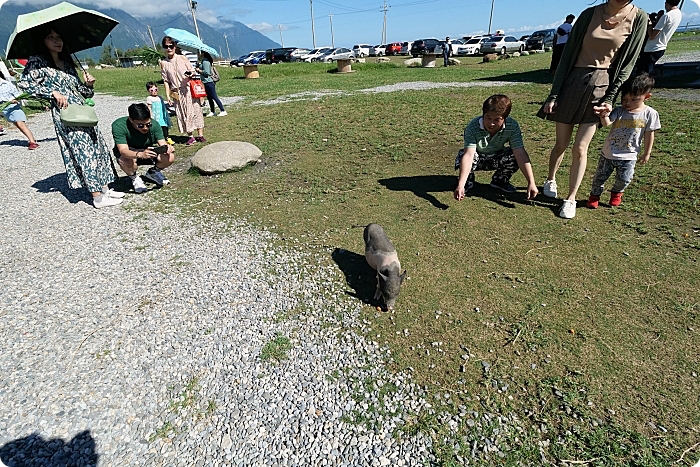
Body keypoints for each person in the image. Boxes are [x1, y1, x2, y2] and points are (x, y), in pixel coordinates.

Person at [538, 0, 648, 219]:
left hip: (602, 85)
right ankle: (550, 178)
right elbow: (567, 55)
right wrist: (554, 94)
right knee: (561, 144)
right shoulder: (590, 14)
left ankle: (570, 199)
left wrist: (610, 97)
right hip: (572, 81)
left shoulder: (639, 17)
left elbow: (628, 63)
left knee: (580, 147)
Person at [18, 25, 124, 208]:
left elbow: (83, 93)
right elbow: (25, 84)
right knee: (84, 152)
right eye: (51, 37)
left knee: (97, 148)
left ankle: (105, 189)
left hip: (83, 111)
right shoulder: (37, 61)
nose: (57, 40)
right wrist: (51, 92)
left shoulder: (67, 63)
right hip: (66, 114)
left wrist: (88, 85)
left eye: (59, 36)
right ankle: (97, 197)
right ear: (43, 41)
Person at [587, 73, 659, 209]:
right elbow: (607, 123)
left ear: (647, 97)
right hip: (608, 154)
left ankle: (616, 193)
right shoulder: (619, 110)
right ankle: (594, 196)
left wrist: (647, 153)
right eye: (624, 99)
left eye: (633, 99)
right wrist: (603, 115)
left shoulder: (650, 114)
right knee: (599, 177)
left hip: (629, 156)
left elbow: (649, 134)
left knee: (624, 179)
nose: (627, 103)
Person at [454, 94, 538, 201]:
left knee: (514, 155)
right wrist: (460, 185)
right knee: (464, 155)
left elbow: (520, 154)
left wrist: (531, 182)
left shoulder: (512, 126)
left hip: (496, 157)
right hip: (477, 157)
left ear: (505, 118)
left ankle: (500, 181)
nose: (491, 123)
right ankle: (466, 182)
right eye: (488, 118)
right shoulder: (473, 126)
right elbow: (469, 155)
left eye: (497, 119)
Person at [112, 103, 174, 193]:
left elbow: (162, 143)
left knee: (169, 157)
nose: (145, 128)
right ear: (131, 120)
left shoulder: (155, 125)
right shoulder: (119, 125)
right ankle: (134, 178)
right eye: (140, 125)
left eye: (148, 124)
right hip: (130, 151)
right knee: (125, 160)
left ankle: (153, 173)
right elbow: (123, 150)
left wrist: (167, 148)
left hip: (148, 150)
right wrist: (140, 154)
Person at [160, 36, 205, 145]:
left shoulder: (182, 58)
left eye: (171, 46)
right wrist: (168, 95)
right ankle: (190, 136)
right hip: (176, 91)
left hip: (188, 89)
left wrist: (190, 73)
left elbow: (192, 71)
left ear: (175, 46)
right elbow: (166, 81)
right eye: (166, 46)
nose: (169, 48)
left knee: (195, 111)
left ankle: (200, 134)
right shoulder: (164, 63)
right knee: (182, 113)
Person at [636, 0, 682, 74]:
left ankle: (643, 85)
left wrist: (649, 23)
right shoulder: (678, 13)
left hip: (651, 48)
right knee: (648, 71)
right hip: (661, 47)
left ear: (666, 3)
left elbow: (652, 35)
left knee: (643, 73)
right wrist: (658, 20)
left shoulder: (667, 16)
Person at [1, 70, 39, 149]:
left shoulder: (7, 84)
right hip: (5, 109)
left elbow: (17, 95)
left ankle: (33, 142)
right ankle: (31, 139)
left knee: (21, 124)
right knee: (18, 125)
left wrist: (15, 100)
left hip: (13, 107)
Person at [195, 52, 227, 117]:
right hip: (205, 82)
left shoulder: (205, 61)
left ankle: (223, 110)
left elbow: (207, 72)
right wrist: (198, 66)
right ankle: (212, 111)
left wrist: (199, 70)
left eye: (199, 53)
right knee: (209, 98)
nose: (198, 54)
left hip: (209, 82)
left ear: (203, 54)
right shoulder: (203, 61)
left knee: (214, 97)